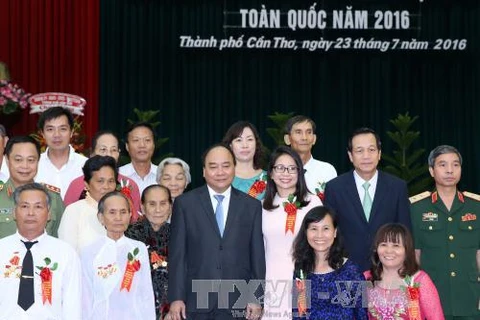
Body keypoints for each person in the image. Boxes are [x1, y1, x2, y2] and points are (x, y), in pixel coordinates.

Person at [168, 143, 265, 320]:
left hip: (238, 299)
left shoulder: (251, 206)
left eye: (226, 166)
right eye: (213, 167)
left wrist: (256, 297)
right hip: (196, 299)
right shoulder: (185, 204)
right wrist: (176, 298)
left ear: (234, 168)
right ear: (204, 171)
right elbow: (177, 256)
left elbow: (257, 255)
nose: (220, 172)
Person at [324, 127, 411, 271]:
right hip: (345, 270)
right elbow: (330, 231)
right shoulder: (335, 188)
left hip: (388, 270)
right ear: (351, 156)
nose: (366, 156)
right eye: (359, 151)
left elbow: (404, 231)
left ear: (379, 154)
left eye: (371, 150)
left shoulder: (397, 187)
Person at [410, 145, 479, 319]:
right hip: (432, 296)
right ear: (432, 171)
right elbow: (414, 257)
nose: (450, 170)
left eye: (455, 165)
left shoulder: (476, 206)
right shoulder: (417, 208)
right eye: (442, 165)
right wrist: (413, 301)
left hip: (470, 296)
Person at [0, 183, 81, 318]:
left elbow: (72, 305)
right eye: (25, 206)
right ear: (14, 212)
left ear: (49, 214)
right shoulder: (2, 249)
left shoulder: (65, 253)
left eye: (38, 207)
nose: (31, 213)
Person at [261, 146, 322, 319]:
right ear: (271, 173)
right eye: (279, 168)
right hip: (271, 282)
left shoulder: (313, 203)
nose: (285, 173)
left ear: (299, 172)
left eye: (292, 168)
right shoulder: (262, 208)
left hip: (305, 278)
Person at [81, 191, 155, 319]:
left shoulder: (138, 248)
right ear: (101, 217)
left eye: (123, 212)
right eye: (112, 212)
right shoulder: (90, 252)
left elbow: (146, 293)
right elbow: (86, 297)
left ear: (130, 215)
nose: (118, 218)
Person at [292, 206, 367, 319]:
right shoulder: (301, 269)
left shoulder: (351, 270)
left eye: (326, 228)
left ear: (335, 232)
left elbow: (362, 315)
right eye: (314, 229)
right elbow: (298, 313)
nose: (320, 235)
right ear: (306, 232)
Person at [364, 223, 444, 319]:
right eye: (384, 244)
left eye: (396, 245)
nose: (389, 250)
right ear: (376, 249)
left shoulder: (418, 281)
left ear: (407, 250)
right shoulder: (367, 278)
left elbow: (436, 317)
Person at [64, 130, 141, 216]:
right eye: (103, 149)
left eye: (113, 150)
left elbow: (135, 221)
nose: (108, 154)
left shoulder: (129, 184)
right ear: (92, 153)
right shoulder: (76, 185)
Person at [0, 136, 64, 238]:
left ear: (38, 161)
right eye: (18, 160)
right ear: (7, 160)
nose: (25, 166)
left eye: (31, 160)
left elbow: (61, 239)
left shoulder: (53, 197)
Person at [126, 184, 172, 318]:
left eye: (163, 203)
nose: (158, 210)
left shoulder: (179, 234)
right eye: (152, 204)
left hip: (172, 310)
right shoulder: (129, 236)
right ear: (142, 207)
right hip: (136, 309)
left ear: (170, 206)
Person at [58, 155, 117, 252]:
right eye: (100, 181)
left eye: (111, 181)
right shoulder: (74, 211)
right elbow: (67, 254)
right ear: (87, 184)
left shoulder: (121, 211)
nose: (106, 187)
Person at [35, 106, 88, 199]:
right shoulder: (33, 164)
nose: (57, 135)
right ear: (42, 133)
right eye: (50, 129)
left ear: (71, 132)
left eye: (62, 129)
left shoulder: (86, 165)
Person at [283, 115, 337, 199]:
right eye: (298, 132)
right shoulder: (280, 171)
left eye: (309, 132)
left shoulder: (327, 170)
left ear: (314, 139)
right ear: (287, 139)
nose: (304, 138)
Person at [222, 121, 267, 200]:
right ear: (230, 146)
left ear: (256, 144)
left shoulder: (268, 178)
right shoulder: (222, 176)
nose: (245, 145)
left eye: (249, 139)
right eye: (239, 140)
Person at [119, 122, 158, 195]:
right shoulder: (118, 175)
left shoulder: (163, 175)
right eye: (136, 140)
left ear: (154, 145)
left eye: (147, 140)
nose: (142, 145)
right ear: (127, 146)